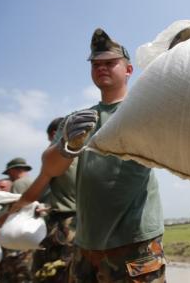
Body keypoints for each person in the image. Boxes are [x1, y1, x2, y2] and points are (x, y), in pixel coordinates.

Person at [27, 28, 166, 282]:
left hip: (135, 240)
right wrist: (66, 146)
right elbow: (50, 168)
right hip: (86, 243)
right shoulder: (76, 121)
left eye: (110, 63)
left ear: (129, 70)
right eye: (96, 64)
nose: (102, 68)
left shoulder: (144, 111)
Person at [11, 116, 78, 282]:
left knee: (49, 274)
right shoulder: (83, 156)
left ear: (56, 133)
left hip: (61, 223)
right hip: (82, 222)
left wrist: (23, 206)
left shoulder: (54, 156)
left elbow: (40, 191)